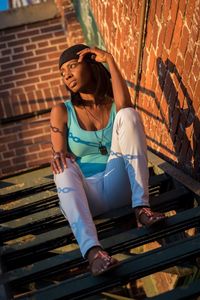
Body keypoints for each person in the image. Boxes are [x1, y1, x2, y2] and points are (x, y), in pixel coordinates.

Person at [50, 44, 165, 276]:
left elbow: (126, 111)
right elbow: (59, 153)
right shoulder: (62, 111)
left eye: (72, 66)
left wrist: (110, 60)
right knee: (62, 165)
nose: (67, 75)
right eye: (63, 72)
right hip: (88, 195)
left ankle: (142, 208)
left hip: (120, 184)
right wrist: (58, 155)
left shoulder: (113, 103)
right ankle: (93, 252)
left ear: (91, 65)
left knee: (129, 115)